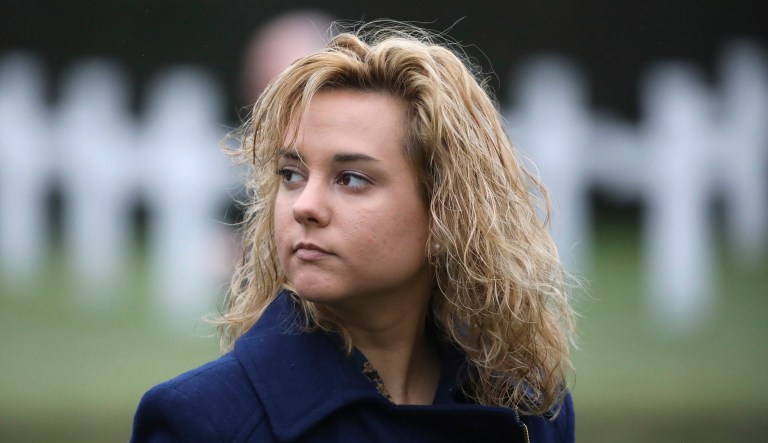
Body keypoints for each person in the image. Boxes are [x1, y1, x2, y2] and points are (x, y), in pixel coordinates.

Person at [131, 22, 576, 442]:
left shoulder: (527, 412)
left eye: (351, 179)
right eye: (291, 174)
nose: (304, 205)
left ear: (448, 210)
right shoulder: (203, 421)